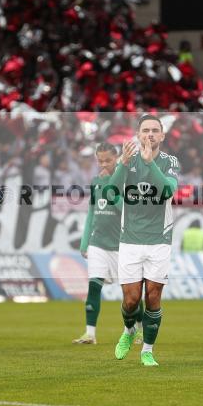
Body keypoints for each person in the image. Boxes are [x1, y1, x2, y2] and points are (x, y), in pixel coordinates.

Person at [109, 114, 180, 367]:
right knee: (130, 301)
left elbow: (168, 191)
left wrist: (150, 164)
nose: (150, 134)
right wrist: (122, 165)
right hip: (130, 239)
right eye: (145, 130)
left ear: (162, 135)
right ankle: (129, 331)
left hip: (159, 239)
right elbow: (110, 192)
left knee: (152, 298)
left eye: (155, 130)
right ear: (138, 135)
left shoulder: (170, 162)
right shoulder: (127, 161)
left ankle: (147, 351)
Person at [74, 143, 142, 345]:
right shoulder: (96, 182)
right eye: (100, 160)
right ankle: (90, 334)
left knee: (132, 295)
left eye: (108, 160)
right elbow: (92, 213)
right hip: (98, 243)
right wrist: (85, 243)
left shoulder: (127, 179)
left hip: (122, 245)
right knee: (94, 286)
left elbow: (130, 212)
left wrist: (113, 193)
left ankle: (135, 329)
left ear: (117, 158)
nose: (103, 164)